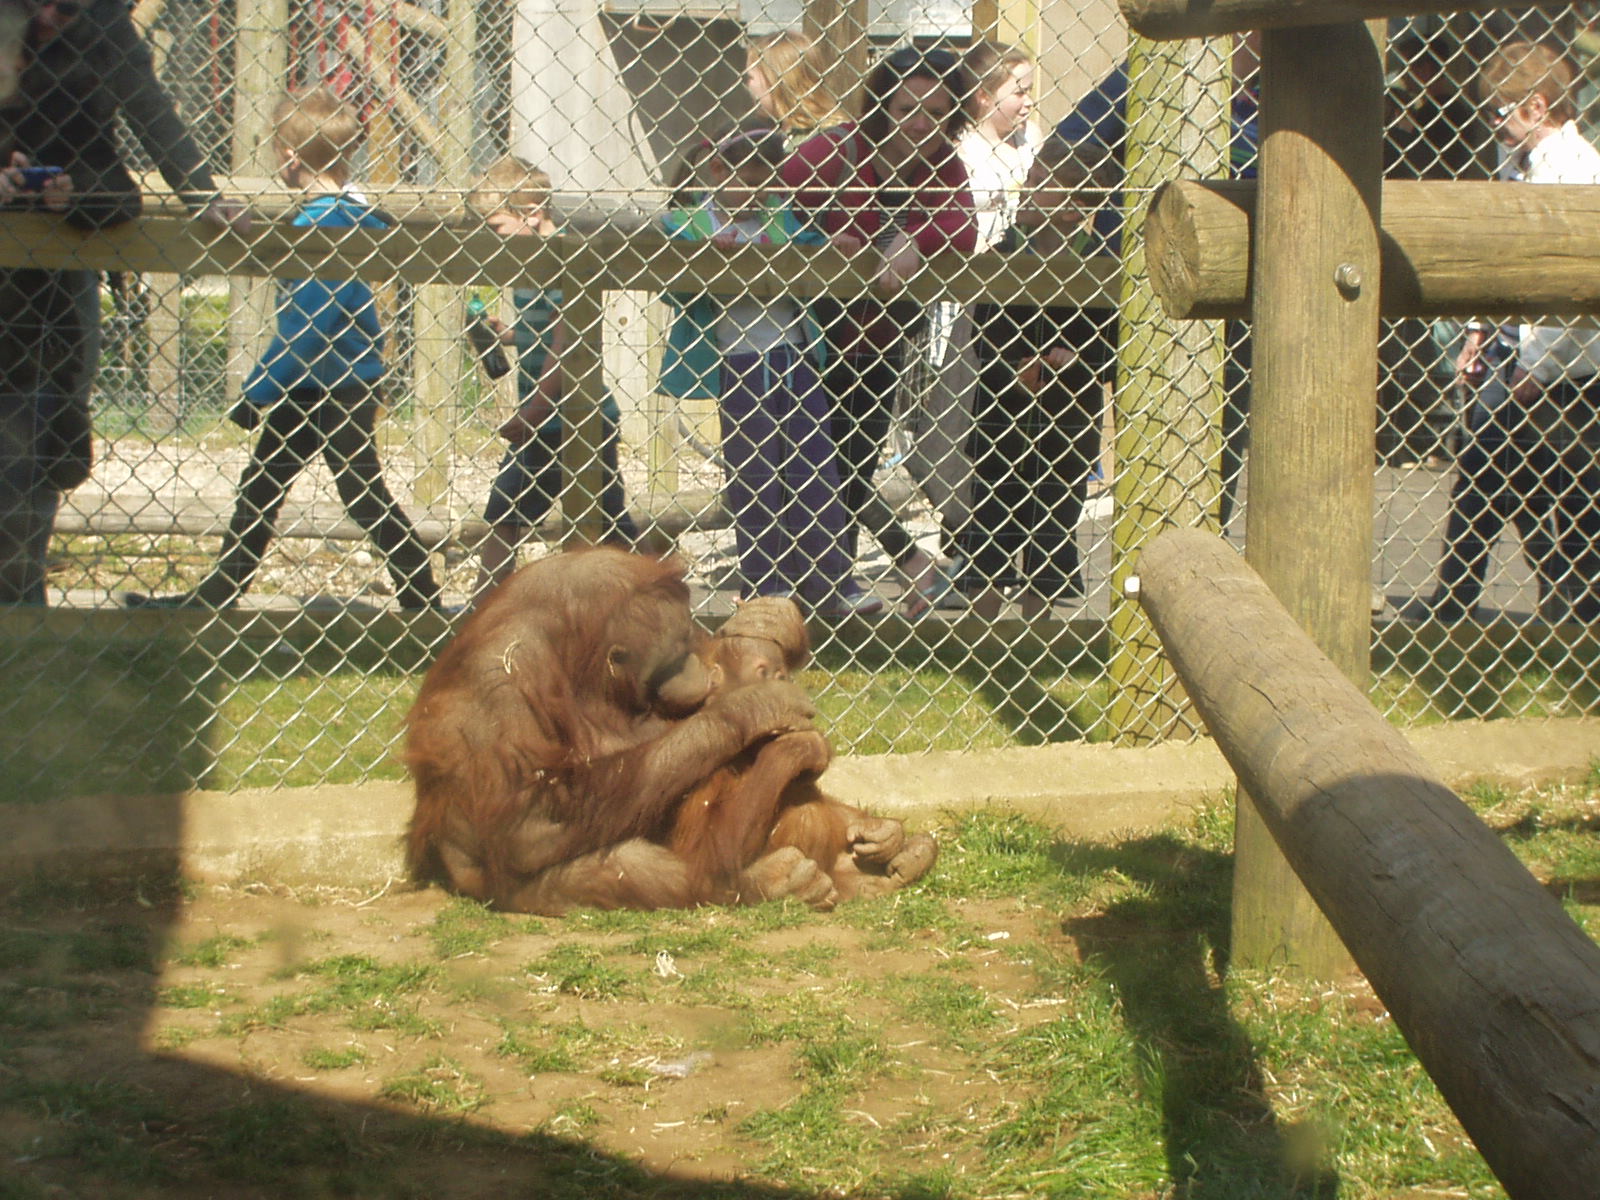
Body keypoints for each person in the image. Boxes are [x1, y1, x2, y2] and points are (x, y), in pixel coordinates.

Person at [125, 87, 440, 612]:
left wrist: (259, 388)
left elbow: (309, 321)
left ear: (289, 158)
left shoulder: (322, 223)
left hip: (332, 383)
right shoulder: (350, 214)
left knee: (350, 493)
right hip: (332, 380)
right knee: (277, 487)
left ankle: (420, 593)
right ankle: (222, 591)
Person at [0, 0, 246, 604]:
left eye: (69, 8)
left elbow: (145, 107)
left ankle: (20, 613)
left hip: (63, 261)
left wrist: (197, 192)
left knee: (44, 442)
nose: (55, 17)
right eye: (41, 7)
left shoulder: (102, 24)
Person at [1405, 41, 1600, 624]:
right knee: (1499, 471)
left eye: (1501, 111)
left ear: (1538, 107)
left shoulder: (1576, 171)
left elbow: (1569, 287)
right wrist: (1476, 331)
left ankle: (1554, 598)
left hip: (1565, 360)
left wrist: (1532, 371)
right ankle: (1485, 598)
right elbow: (1501, 256)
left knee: (1555, 481)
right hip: (1513, 342)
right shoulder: (1515, 160)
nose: (1493, 122)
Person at [781, 45, 979, 617]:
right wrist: (816, 242)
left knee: (854, 462)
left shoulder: (943, 166)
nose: (920, 123)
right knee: (813, 462)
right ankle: (850, 576)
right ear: (882, 106)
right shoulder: (838, 149)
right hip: (811, 340)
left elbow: (962, 222)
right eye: (908, 107)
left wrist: (917, 238)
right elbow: (771, 201)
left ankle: (832, 589)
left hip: (882, 343)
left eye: (936, 112)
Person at [660, 121, 880, 617]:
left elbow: (813, 245)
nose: (763, 194)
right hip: (738, 364)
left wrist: (833, 245)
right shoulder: (694, 225)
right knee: (755, 474)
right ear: (718, 171)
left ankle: (830, 582)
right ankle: (766, 585)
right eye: (752, 181)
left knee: (816, 468)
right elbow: (672, 281)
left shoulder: (779, 218)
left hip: (794, 357)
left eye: (770, 182)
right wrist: (704, 260)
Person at [1056, 36, 1260, 531]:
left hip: (1244, 299)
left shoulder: (1304, 79)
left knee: (1222, 441)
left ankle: (1201, 549)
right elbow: (1066, 150)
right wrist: (1139, 183)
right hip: (1144, 287)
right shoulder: (1166, 62)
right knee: (1143, 439)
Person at [463, 156, 639, 607]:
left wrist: (534, 409)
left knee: (510, 511)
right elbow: (542, 334)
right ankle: (646, 585)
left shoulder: (563, 258)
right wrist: (505, 334)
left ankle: (485, 605)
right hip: (554, 417)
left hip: (569, 415)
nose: (494, 242)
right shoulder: (527, 266)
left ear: (533, 213)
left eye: (498, 229)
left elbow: (565, 342)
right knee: (603, 519)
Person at [958, 135, 1111, 619]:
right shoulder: (1006, 252)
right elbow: (984, 327)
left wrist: (1074, 357)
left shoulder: (1097, 260)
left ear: (1073, 209)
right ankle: (981, 629)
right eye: (1033, 177)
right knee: (992, 515)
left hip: (1067, 420)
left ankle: (1035, 629)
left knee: (1052, 518)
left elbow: (1108, 342)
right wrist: (1016, 360)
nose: (1029, 188)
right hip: (1002, 413)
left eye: (1045, 183)